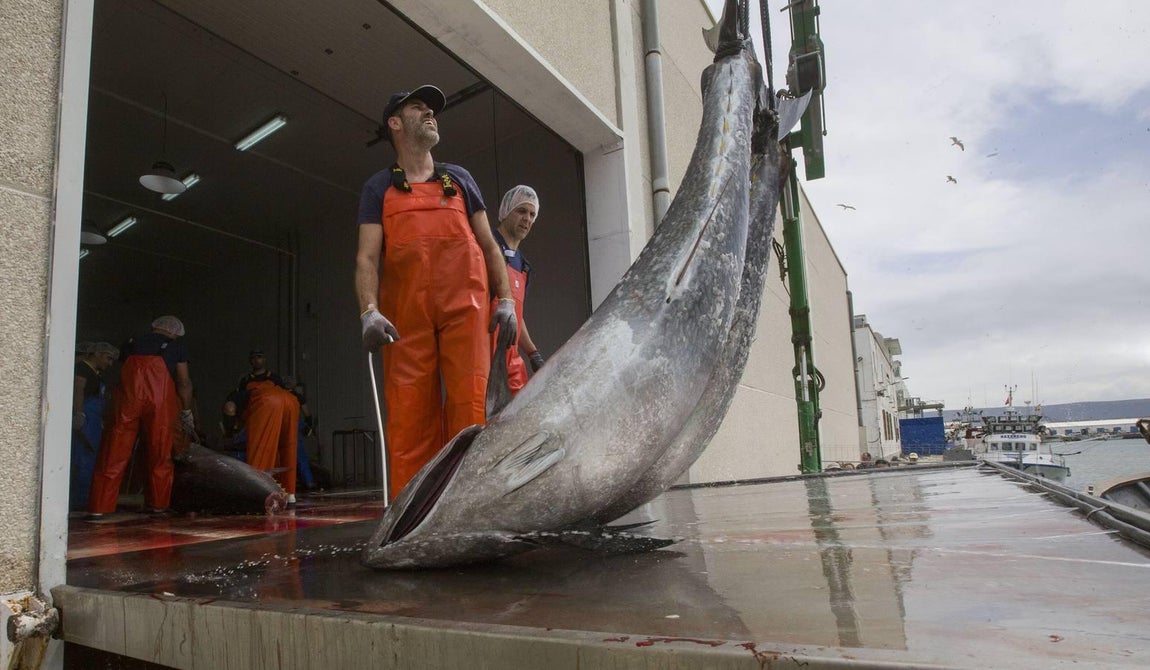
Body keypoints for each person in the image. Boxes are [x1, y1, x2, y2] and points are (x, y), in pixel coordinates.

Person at [355, 84, 518, 500]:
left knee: (472, 410)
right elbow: (367, 259)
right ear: (395, 123)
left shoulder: (459, 180)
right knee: (410, 419)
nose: (430, 114)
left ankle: (476, 504)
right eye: (418, 108)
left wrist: (506, 300)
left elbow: (488, 245)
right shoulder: (379, 188)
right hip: (405, 317)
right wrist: (369, 312)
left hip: (467, 310)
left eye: (432, 110)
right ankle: (413, 515)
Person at [88, 316, 194, 518]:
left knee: (114, 450)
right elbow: (184, 382)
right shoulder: (176, 347)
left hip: (128, 399)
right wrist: (186, 410)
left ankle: (99, 508)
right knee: (160, 452)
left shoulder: (131, 342)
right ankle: (158, 505)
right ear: (173, 332)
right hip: (159, 401)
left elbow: (118, 374)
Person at [492, 185, 546, 394]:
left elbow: (516, 315)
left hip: (511, 362)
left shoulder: (524, 266)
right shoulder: (485, 247)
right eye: (521, 211)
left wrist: (533, 353)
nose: (527, 219)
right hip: (484, 358)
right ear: (506, 212)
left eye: (532, 214)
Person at [225, 350, 300, 503]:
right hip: (291, 402)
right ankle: (289, 492)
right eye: (255, 357)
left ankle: (259, 491)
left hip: (267, 403)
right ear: (250, 361)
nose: (258, 360)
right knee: (288, 446)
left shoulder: (242, 390)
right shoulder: (256, 380)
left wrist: (229, 431)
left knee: (262, 446)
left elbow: (230, 408)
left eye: (260, 356)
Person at [70, 341, 119, 511]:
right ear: (96, 354)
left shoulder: (96, 373)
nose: (109, 363)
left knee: (90, 461)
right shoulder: (82, 369)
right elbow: (78, 389)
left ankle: (84, 500)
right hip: (86, 419)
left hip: (94, 421)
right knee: (81, 461)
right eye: (108, 358)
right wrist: (79, 413)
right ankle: (77, 502)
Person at [282, 375, 318, 493]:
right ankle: (309, 481)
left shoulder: (279, 395)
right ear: (294, 385)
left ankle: (281, 482)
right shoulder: (297, 397)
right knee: (300, 455)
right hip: (294, 427)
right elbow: (307, 413)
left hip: (279, 426)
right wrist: (309, 425)